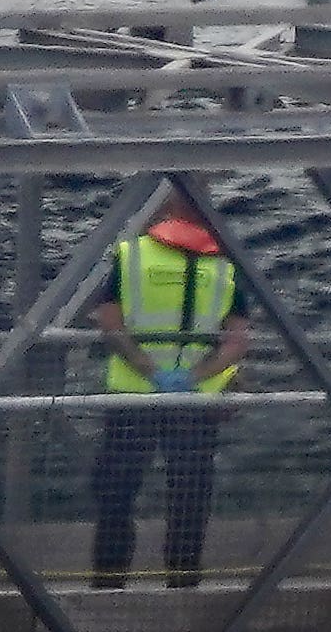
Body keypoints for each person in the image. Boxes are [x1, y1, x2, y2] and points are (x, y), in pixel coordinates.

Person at [89, 187, 251, 592]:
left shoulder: (132, 256)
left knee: (116, 495)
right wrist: (195, 377)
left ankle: (109, 586)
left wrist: (149, 370)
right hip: (195, 404)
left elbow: (110, 324)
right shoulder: (227, 268)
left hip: (133, 399)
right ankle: (183, 584)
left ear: (168, 208)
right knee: (190, 498)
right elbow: (236, 341)